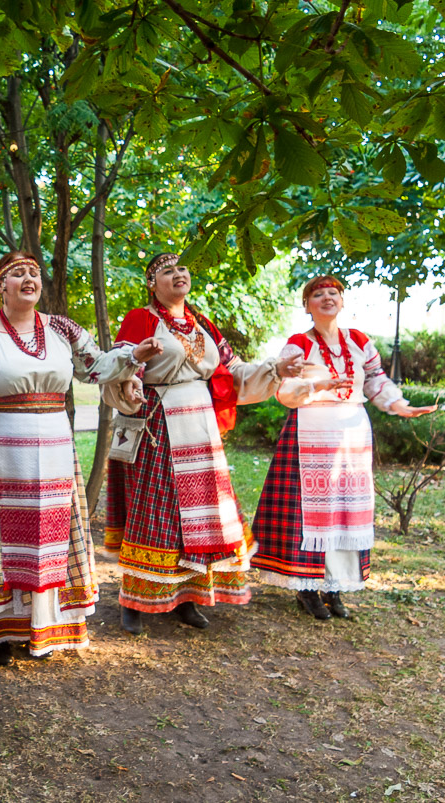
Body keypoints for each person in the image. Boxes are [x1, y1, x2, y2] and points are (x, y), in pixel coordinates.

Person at [0, 251, 161, 663]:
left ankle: (45, 626)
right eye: (17, 274)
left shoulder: (62, 329)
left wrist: (133, 357)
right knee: (0, 538)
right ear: (1, 285)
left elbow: (96, 368)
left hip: (54, 443)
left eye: (33, 272)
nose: (28, 279)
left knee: (48, 537)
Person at [102, 253, 304, 634]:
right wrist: (129, 379)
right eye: (167, 271)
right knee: (155, 509)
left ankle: (188, 596)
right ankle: (134, 598)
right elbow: (119, 365)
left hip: (200, 426)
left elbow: (232, 371)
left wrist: (275, 368)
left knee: (197, 517)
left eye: (182, 269)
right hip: (157, 424)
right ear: (152, 283)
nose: (178, 274)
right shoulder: (141, 318)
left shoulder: (203, 325)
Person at [251, 275, 435, 619]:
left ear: (343, 300)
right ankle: (306, 587)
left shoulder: (360, 341)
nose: (326, 298)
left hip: (352, 437)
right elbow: (285, 390)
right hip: (310, 434)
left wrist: (399, 405)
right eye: (317, 294)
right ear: (307, 306)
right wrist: (318, 385)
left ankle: (336, 584)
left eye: (333, 293)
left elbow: (377, 381)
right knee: (308, 514)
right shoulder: (297, 345)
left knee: (344, 511)